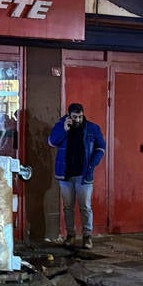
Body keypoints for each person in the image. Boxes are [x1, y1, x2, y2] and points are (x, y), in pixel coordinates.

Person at [47, 102, 106, 249]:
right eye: (75, 117)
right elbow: (51, 142)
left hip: (84, 174)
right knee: (68, 207)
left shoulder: (92, 128)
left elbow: (101, 147)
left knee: (85, 206)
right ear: (69, 116)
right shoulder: (61, 125)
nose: (78, 120)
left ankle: (87, 236)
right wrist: (64, 130)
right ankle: (71, 235)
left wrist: (93, 164)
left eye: (80, 116)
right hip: (65, 175)